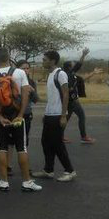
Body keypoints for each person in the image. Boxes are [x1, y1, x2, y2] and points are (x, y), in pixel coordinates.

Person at [0, 48, 41, 192]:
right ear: (9, 57)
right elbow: (25, 94)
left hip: (1, 118)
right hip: (17, 116)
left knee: (2, 148)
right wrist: (21, 114)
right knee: (21, 148)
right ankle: (26, 182)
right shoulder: (20, 73)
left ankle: (4, 181)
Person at [32, 50, 77, 182]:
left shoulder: (60, 73)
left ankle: (70, 170)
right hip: (50, 114)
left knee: (57, 144)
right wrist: (46, 113)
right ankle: (48, 170)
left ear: (53, 61)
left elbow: (66, 94)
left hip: (58, 114)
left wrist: (63, 116)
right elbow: (52, 97)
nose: (43, 61)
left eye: (45, 59)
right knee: (45, 142)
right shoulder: (51, 74)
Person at [62, 48, 97, 144]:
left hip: (72, 102)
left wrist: (93, 73)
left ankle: (60, 136)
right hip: (71, 102)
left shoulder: (71, 74)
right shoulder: (67, 75)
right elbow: (79, 64)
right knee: (79, 117)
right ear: (69, 67)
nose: (75, 64)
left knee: (67, 118)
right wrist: (83, 55)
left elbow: (82, 76)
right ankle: (83, 137)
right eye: (73, 64)